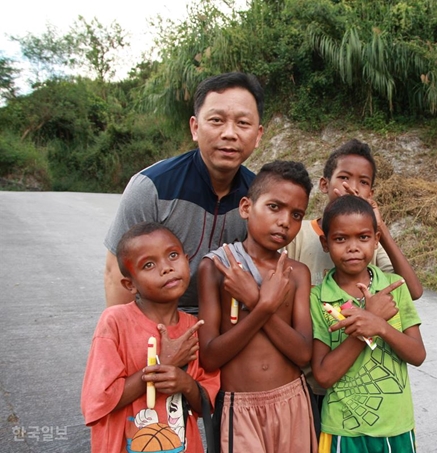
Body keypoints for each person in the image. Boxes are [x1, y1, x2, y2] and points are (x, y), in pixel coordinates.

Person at [285, 138, 423, 422]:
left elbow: (411, 290)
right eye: (344, 178)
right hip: (311, 379)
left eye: (363, 182)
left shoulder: (369, 240)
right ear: (324, 184)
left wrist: (379, 227)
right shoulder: (301, 235)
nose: (352, 188)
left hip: (363, 379)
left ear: (371, 191)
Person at [104, 72, 265, 314]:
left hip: (226, 322)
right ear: (195, 127)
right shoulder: (152, 187)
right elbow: (117, 272)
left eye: (242, 123)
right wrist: (128, 339)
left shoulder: (259, 197)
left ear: (258, 135)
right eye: (217, 120)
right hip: (159, 316)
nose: (229, 133)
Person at [198, 160, 318, 453]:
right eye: (274, 207)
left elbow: (303, 353)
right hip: (240, 408)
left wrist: (253, 301)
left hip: (293, 401)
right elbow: (210, 357)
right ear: (246, 207)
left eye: (296, 214)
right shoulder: (217, 268)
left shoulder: (297, 273)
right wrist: (264, 308)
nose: (284, 221)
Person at [81, 222, 220, 453]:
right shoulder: (115, 322)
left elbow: (206, 403)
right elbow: (96, 402)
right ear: (130, 284)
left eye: (173, 255)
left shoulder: (194, 328)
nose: (166, 268)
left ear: (187, 259)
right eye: (148, 264)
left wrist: (186, 383)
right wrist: (159, 367)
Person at [310, 195, 426, 453]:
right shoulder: (318, 298)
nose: (353, 247)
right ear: (325, 243)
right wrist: (364, 329)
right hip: (343, 427)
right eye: (341, 239)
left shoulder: (395, 287)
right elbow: (324, 376)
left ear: (376, 239)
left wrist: (381, 326)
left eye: (363, 237)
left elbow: (418, 355)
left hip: (396, 423)